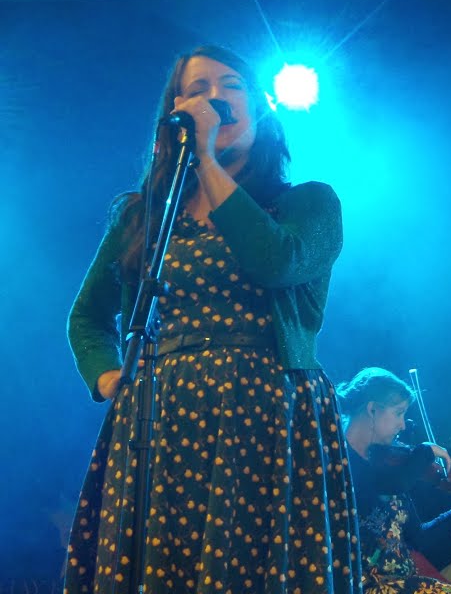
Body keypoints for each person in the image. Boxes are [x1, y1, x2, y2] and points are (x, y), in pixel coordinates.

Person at [64, 45, 360, 592]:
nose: (214, 98)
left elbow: (276, 263)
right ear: (174, 111)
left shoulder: (309, 203)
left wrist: (206, 160)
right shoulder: (142, 214)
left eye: (230, 85)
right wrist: (111, 378)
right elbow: (87, 317)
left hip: (266, 420)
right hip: (158, 420)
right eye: (197, 89)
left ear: (262, 108)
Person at [336, 367, 451, 594]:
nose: (403, 425)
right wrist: (424, 452)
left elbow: (420, 538)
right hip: (366, 586)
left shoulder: (388, 464)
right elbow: (387, 485)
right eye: (398, 413)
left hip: (403, 583)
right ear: (372, 409)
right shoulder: (338, 462)